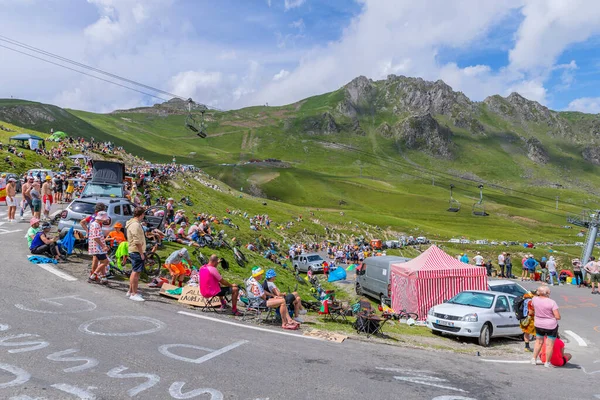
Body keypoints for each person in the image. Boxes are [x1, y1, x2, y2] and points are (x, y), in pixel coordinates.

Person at [531, 285, 561, 368]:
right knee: (549, 345)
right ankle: (547, 362)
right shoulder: (552, 302)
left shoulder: (534, 299)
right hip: (550, 325)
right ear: (547, 293)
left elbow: (532, 309)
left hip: (538, 323)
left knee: (538, 342)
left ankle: (534, 358)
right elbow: (557, 316)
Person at [126, 207, 147, 302]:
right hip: (136, 250)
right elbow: (136, 240)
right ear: (141, 214)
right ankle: (133, 293)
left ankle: (130, 291)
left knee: (135, 271)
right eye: (143, 214)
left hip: (135, 250)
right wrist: (141, 253)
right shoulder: (135, 225)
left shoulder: (134, 223)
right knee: (136, 272)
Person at [88, 211, 110, 284]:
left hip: (95, 247)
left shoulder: (94, 224)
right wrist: (103, 246)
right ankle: (93, 275)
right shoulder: (96, 225)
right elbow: (96, 237)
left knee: (102, 262)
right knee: (105, 262)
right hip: (98, 248)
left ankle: (103, 277)